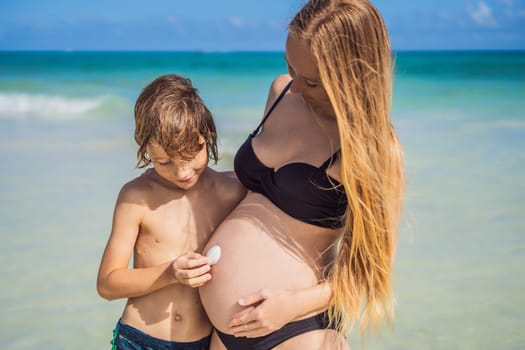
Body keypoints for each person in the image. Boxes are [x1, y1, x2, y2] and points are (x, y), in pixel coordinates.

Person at [198, 0, 404, 349]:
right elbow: (256, 195)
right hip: (222, 332)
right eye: (289, 66)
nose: (294, 86)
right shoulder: (281, 93)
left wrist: (289, 306)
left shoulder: (371, 149)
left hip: (298, 330)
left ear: (352, 79)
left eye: (310, 81)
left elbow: (369, 274)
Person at [97, 74, 246, 350]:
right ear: (146, 149)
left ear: (208, 137)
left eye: (191, 155)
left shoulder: (234, 191)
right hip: (140, 340)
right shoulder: (136, 197)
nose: (182, 172)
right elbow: (107, 283)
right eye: (164, 162)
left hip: (205, 343)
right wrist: (170, 273)